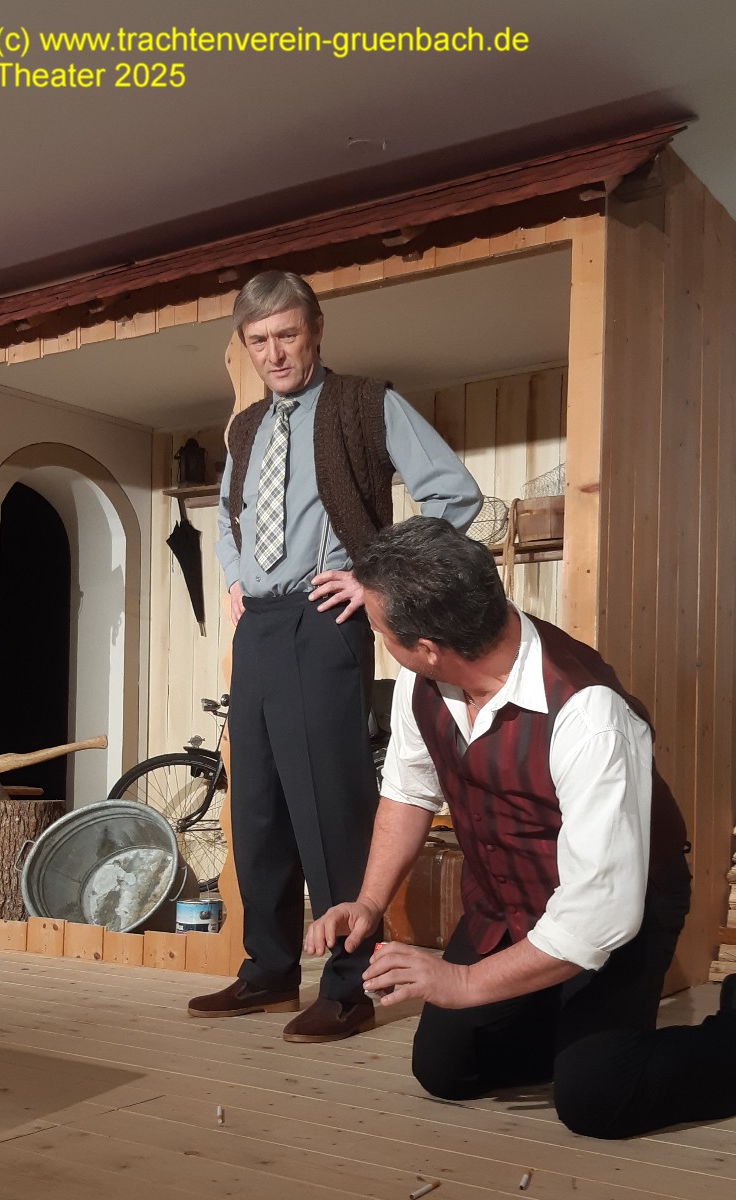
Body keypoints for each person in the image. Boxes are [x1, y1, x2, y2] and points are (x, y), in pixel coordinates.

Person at [307, 516, 736, 1137]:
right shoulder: (422, 680)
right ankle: (568, 1031)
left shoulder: (590, 715)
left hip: (617, 909)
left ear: (428, 645)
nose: (378, 639)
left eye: (378, 629)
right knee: (445, 1069)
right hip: (505, 903)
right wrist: (369, 903)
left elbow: (599, 917)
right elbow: (408, 791)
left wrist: (462, 980)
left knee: (597, 1099)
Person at [187, 273, 482, 1042]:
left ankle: (351, 987)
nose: (275, 353)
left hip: (324, 620)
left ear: (315, 328)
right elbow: (229, 516)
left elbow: (454, 493)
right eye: (258, 341)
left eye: (287, 334)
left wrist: (377, 578)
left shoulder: (364, 403)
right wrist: (234, 577)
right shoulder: (246, 428)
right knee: (257, 808)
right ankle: (268, 970)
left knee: (329, 806)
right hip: (257, 629)